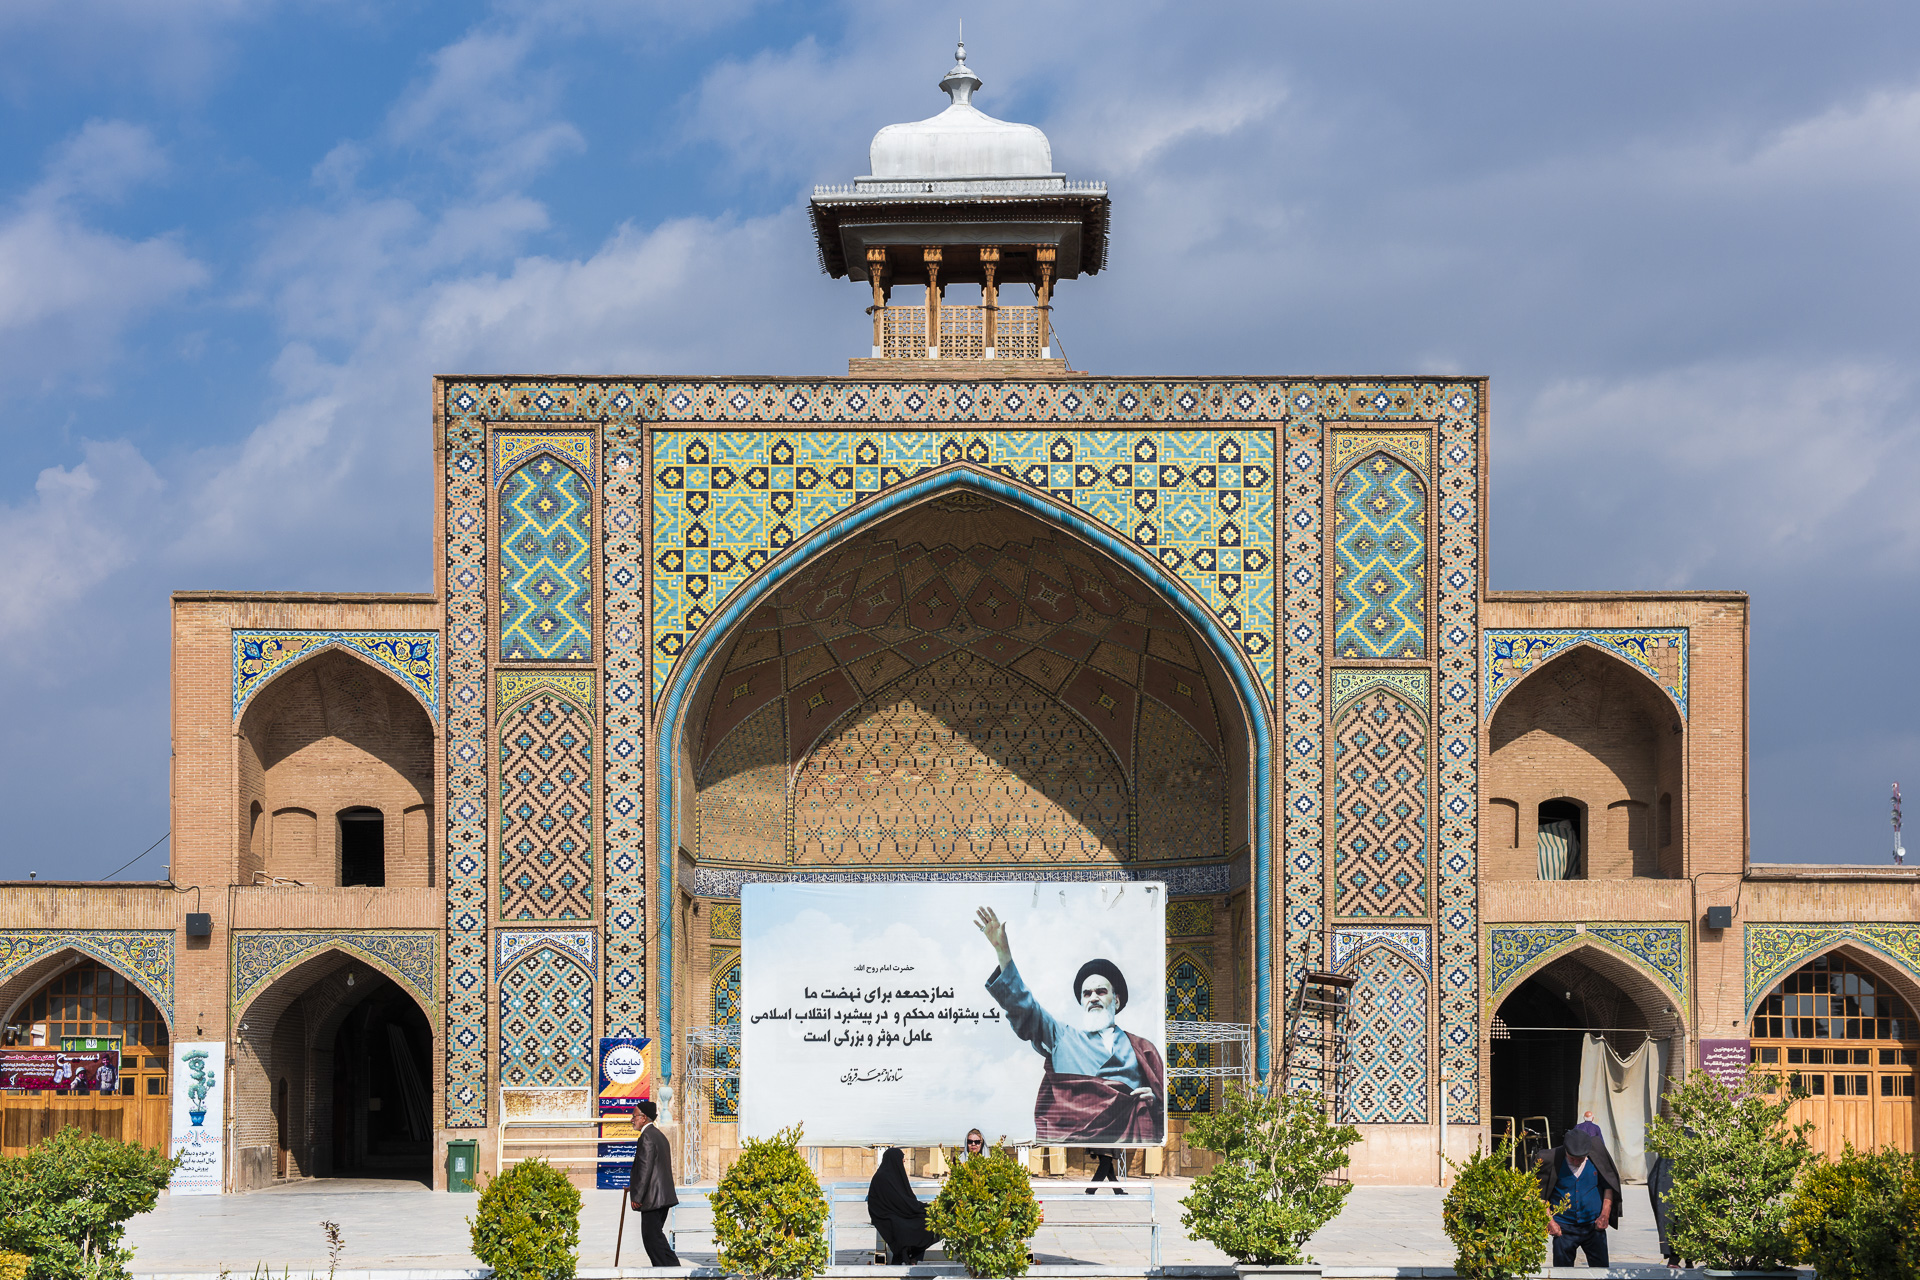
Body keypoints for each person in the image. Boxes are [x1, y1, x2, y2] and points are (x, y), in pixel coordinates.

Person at [974, 906, 1166, 1143]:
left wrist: (1155, 1102)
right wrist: (1003, 953)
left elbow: (1163, 1103)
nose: (1093, 997)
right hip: (1076, 1149)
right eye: (1086, 994)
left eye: (1101, 991)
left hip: (1129, 1150)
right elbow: (1026, 1007)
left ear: (1115, 1000)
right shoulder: (1062, 1037)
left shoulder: (1142, 1049)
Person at [1535, 1126, 1620, 1268]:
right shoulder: (1551, 1160)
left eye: (1580, 1159)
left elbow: (1608, 1186)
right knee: (1562, 1273)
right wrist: (1549, 1221)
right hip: (1563, 1228)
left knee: (1601, 1271)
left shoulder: (1597, 1157)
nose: (1575, 1162)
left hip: (1594, 1226)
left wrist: (1605, 1214)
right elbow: (1540, 1195)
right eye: (1572, 1158)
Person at [626, 1099, 680, 1267]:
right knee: (654, 1236)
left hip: (653, 1197)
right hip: (661, 1196)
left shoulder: (647, 1137)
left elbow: (645, 1168)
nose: (631, 1119)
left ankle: (671, 1270)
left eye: (634, 1116)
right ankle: (668, 1269)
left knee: (652, 1237)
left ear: (644, 1118)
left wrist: (638, 1196)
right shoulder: (658, 1135)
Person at [868, 1147, 940, 1264]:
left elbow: (905, 1201)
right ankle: (909, 1256)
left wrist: (924, 1208)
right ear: (894, 1160)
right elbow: (903, 1202)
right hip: (885, 1216)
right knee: (914, 1226)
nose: (904, 1161)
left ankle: (910, 1256)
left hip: (898, 1213)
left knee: (930, 1223)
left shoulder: (892, 1175)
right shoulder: (883, 1177)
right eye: (902, 1159)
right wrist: (924, 1207)